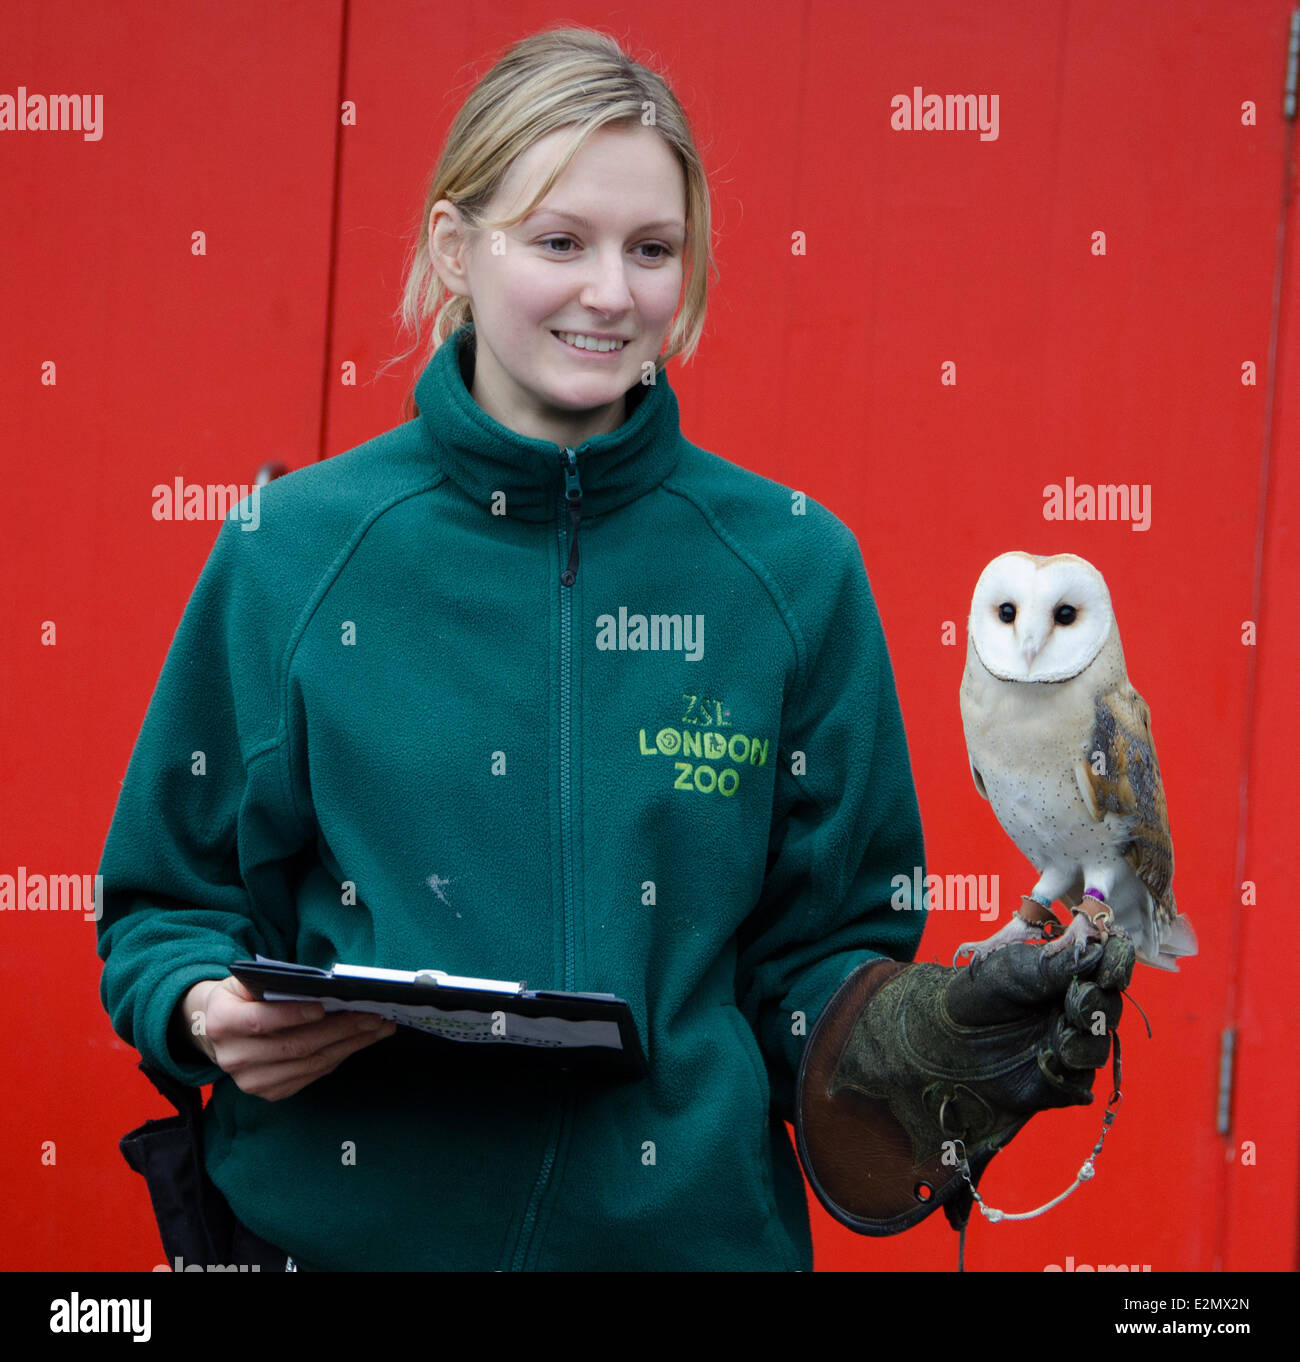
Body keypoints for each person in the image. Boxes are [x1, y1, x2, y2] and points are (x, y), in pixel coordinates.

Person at [96, 25, 1129, 1273]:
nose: (611, 292)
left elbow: (821, 954)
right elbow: (165, 906)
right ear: (451, 250)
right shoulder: (293, 552)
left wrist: (913, 1036)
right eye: (558, 242)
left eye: (652, 250)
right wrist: (198, 1011)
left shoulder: (793, 570)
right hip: (334, 1239)